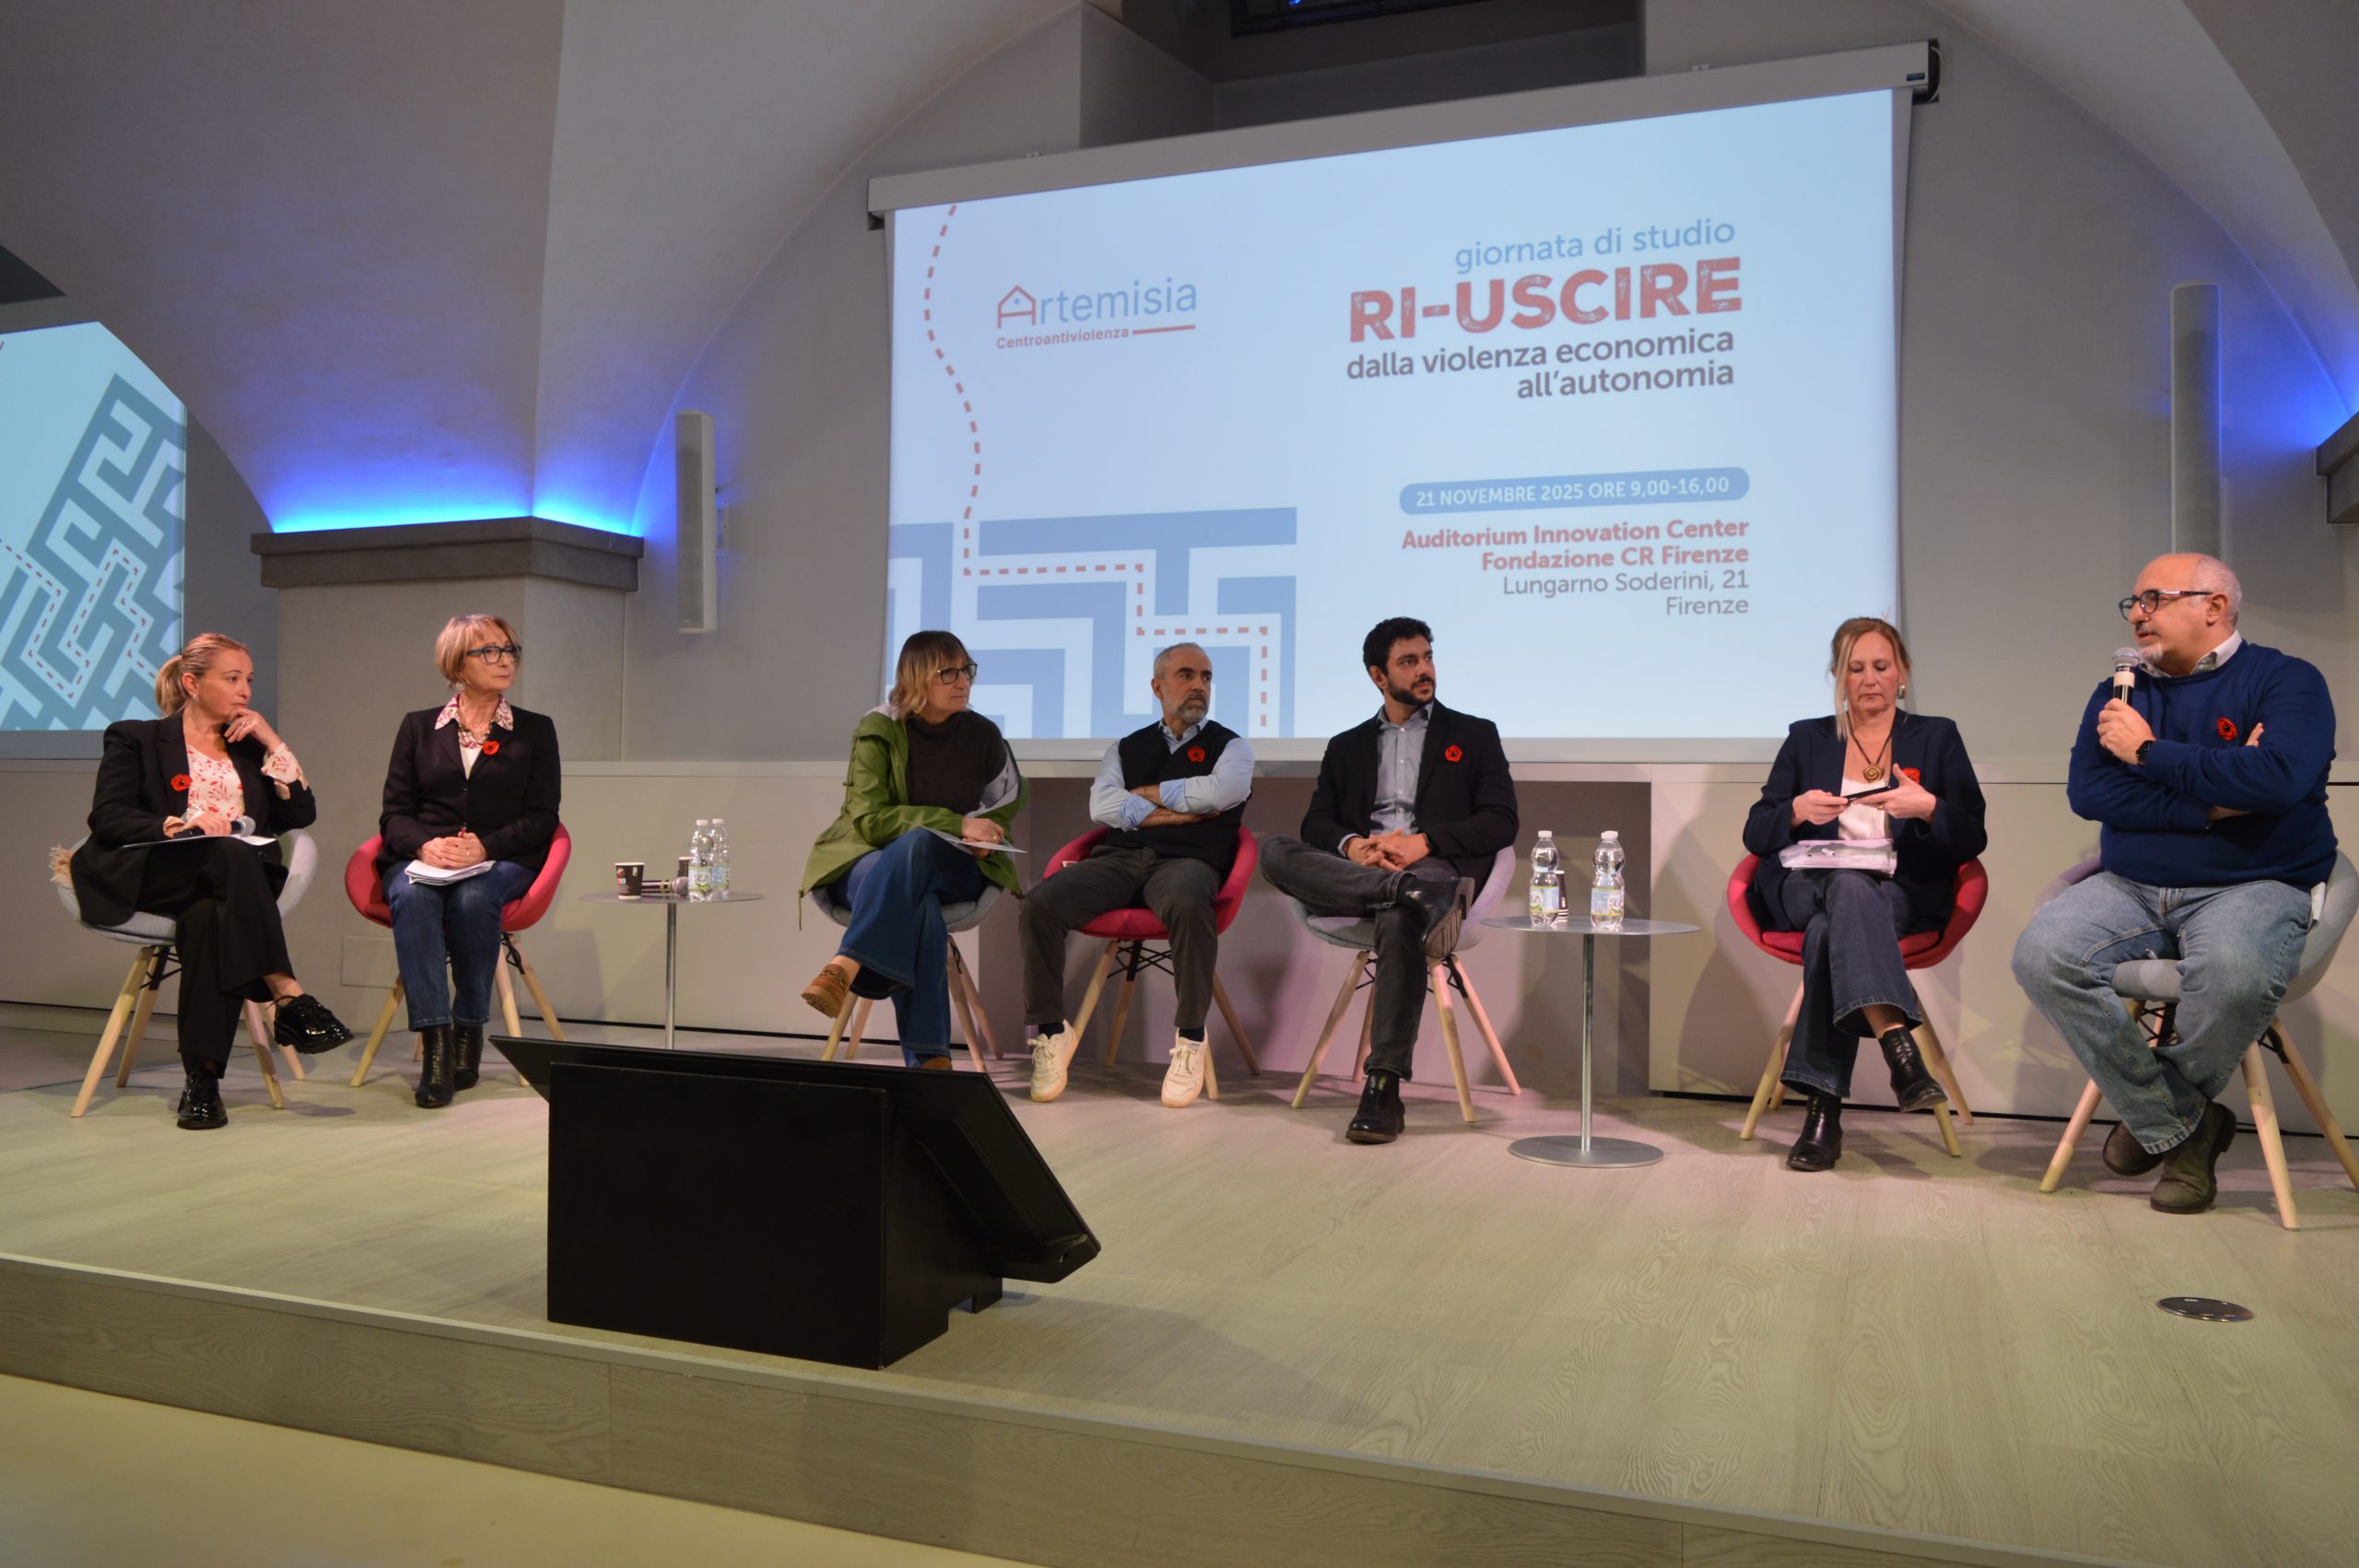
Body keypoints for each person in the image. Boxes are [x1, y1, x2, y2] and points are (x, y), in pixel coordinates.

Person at [2013, 554, 2336, 1214]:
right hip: (2132, 882)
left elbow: (2278, 781)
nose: (2138, 614)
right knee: (2041, 955)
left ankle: (2158, 1118)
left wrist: (2147, 753)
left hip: (2252, 881)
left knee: (2236, 976)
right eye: (2133, 602)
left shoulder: (2289, 681)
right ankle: (2187, 1125)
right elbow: (2090, 792)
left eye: (2154, 599)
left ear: (2214, 606)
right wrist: (2216, 799)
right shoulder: (2119, 690)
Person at [71, 632, 353, 1129]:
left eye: (249, 680)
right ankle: (287, 991)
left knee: (207, 919)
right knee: (225, 853)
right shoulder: (136, 737)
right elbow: (108, 814)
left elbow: (300, 814)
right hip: (160, 873)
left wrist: (273, 741)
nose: (245, 690)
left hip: (228, 886)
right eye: (232, 678)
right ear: (191, 684)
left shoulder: (249, 750)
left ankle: (201, 1082)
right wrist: (177, 825)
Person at [1257, 617, 1517, 1143]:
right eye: (1408, 662)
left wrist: (1424, 842)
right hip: (1364, 872)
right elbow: (1317, 823)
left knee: (1401, 917)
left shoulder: (1473, 734)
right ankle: (1403, 891)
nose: (1425, 670)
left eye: (1428, 657)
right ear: (1378, 675)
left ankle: (1382, 1088)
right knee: (1275, 851)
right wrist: (1355, 846)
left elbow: (1501, 821)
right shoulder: (1346, 745)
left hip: (1431, 866)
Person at [1742, 616, 1987, 1171]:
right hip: (1807, 886)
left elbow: (1972, 836)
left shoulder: (1937, 736)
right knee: (1843, 890)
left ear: (1902, 673)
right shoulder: (1807, 738)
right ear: (1838, 676)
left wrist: (1928, 808)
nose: (1870, 679)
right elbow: (1756, 832)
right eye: (1856, 668)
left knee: (1832, 930)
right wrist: (1796, 810)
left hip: (1894, 893)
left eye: (1881, 666)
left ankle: (1822, 1114)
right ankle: (1900, 1046)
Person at [1022, 642, 1253, 1108]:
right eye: (1186, 675)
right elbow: (1102, 806)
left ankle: (1190, 1038)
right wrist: (1176, 810)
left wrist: (1143, 795)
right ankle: (1051, 1031)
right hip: (1120, 859)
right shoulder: (1125, 747)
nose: (1199, 685)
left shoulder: (1231, 747)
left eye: (1206, 677)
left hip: (1187, 863)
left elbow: (1220, 793)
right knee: (1039, 905)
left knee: (1189, 904)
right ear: (1157, 687)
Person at [799, 631, 1026, 1068]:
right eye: (949, 673)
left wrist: (987, 836)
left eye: (967, 670)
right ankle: (930, 1061)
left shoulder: (983, 734)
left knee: (920, 854)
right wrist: (954, 822)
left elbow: (1005, 804)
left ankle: (847, 963)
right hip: (870, 861)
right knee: (919, 898)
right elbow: (869, 819)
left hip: (957, 865)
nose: (964, 682)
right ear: (917, 677)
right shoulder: (880, 728)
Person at [376, 614, 562, 1108]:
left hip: (502, 858)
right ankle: (437, 1045)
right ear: (458, 664)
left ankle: (469, 1027)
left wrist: (485, 848)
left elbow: (543, 817)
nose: (505, 660)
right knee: (413, 897)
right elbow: (394, 813)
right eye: (490, 651)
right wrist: (424, 846)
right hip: (426, 858)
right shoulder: (418, 727)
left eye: (510, 649)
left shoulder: (535, 730)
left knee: (475, 898)